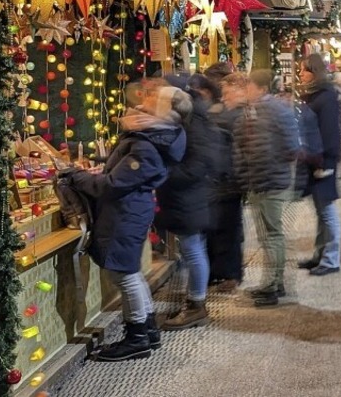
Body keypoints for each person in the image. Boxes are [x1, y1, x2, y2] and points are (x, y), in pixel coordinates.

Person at [61, 84, 189, 361]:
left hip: (124, 215)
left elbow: (112, 185)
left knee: (124, 274)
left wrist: (75, 177)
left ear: (164, 112)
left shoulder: (148, 144)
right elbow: (118, 175)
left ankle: (137, 338)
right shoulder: (151, 137)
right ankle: (147, 330)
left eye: (156, 98)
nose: (148, 98)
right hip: (126, 212)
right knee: (130, 274)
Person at [154, 74, 225, 330]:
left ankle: (196, 306)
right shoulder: (189, 119)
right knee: (191, 249)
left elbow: (199, 164)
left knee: (193, 249)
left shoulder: (195, 123)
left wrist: (164, 174)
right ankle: (194, 300)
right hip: (186, 196)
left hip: (190, 196)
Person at [234, 69, 302, 307]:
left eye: (249, 86)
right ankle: (274, 283)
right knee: (269, 234)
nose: (246, 91)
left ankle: (272, 287)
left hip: (269, 181)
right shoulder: (257, 110)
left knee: (272, 234)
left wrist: (267, 165)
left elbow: (292, 147)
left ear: (262, 89)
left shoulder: (273, 110)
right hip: (262, 179)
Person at [296, 54, 341, 276]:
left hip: (323, 161)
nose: (301, 74)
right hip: (315, 160)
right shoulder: (316, 95)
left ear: (314, 72)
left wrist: (325, 161)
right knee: (321, 210)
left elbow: (329, 132)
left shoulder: (325, 97)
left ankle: (331, 259)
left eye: (304, 70)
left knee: (327, 211)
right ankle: (320, 254)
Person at [206, 72, 247, 293]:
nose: (224, 98)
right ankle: (225, 273)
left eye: (228, 93)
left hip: (228, 180)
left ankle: (228, 275)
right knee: (225, 228)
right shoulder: (231, 113)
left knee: (227, 229)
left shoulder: (236, 115)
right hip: (228, 180)